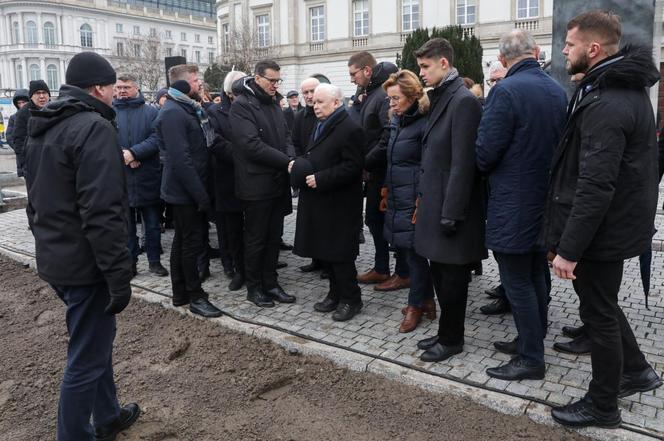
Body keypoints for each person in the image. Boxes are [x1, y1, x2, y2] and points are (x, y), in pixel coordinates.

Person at [544, 11, 663, 428]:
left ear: (593, 49)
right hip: (611, 227)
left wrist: (569, 250)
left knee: (599, 317)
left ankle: (603, 406)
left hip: (601, 233)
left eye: (570, 43)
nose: (563, 49)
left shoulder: (608, 101)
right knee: (604, 306)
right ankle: (638, 371)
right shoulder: (610, 89)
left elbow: (595, 185)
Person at [24, 51, 140, 441]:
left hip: (58, 259)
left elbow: (34, 200)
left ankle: (107, 415)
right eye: (111, 87)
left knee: (94, 342)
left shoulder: (44, 125)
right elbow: (103, 210)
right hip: (87, 265)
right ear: (98, 88)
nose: (115, 94)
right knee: (86, 357)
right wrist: (118, 274)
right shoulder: (93, 127)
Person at [475, 30, 568, 381]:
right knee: (535, 273)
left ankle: (531, 357)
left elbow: (485, 154)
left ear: (501, 60)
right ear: (537, 52)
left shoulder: (506, 91)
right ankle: (533, 338)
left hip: (513, 203)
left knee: (517, 281)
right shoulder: (557, 90)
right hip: (546, 199)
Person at [412, 38, 486, 363]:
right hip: (437, 204)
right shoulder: (443, 96)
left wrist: (451, 214)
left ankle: (452, 339)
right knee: (441, 275)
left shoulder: (463, 101)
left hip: (452, 211)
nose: (421, 73)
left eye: (425, 67)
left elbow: (463, 163)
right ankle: (445, 332)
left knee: (453, 279)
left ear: (444, 63)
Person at [367, 69, 436, 333]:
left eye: (396, 99)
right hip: (398, 194)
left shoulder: (423, 121)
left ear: (412, 96)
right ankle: (426, 300)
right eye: (389, 99)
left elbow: (426, 164)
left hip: (415, 198)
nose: (392, 104)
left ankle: (415, 305)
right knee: (409, 252)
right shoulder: (398, 121)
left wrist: (420, 197)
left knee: (415, 255)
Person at [291, 83, 365, 321]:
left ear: (336, 103)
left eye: (320, 101)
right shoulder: (321, 123)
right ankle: (335, 294)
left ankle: (352, 299)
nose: (315, 105)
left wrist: (322, 178)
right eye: (314, 101)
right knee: (327, 252)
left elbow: (354, 167)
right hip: (323, 200)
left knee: (341, 255)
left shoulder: (350, 128)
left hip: (340, 203)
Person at [230, 60, 296, 308]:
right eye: (271, 81)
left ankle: (271, 283)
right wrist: (286, 162)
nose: (275, 85)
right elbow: (250, 145)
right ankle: (254, 287)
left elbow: (286, 136)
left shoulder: (273, 104)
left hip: (278, 182)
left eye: (278, 81)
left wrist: (289, 157)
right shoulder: (242, 106)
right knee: (256, 239)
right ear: (257, 78)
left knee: (273, 237)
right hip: (256, 184)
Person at [158, 64, 222, 318]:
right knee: (190, 244)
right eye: (196, 81)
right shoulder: (173, 112)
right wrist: (200, 195)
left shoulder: (186, 108)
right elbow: (181, 159)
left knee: (183, 242)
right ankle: (194, 295)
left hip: (188, 188)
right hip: (185, 191)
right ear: (184, 85)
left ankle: (181, 293)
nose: (200, 85)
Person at [348, 52, 409, 291]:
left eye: (353, 73)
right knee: (374, 219)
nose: (351, 79)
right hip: (375, 172)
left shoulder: (382, 96)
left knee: (391, 222)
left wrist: (365, 163)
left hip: (385, 173)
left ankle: (402, 272)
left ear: (367, 70)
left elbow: (387, 137)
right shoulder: (369, 94)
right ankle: (382, 268)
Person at [113, 74, 168, 278]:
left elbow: (156, 138)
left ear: (136, 88)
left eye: (126, 87)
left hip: (147, 176)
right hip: (122, 179)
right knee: (126, 227)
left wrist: (135, 153)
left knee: (153, 224)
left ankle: (154, 261)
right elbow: (105, 139)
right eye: (118, 87)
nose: (121, 91)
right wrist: (125, 156)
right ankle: (131, 262)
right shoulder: (109, 113)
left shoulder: (151, 112)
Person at [207, 70, 248, 291]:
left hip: (248, 178)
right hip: (225, 177)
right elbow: (213, 141)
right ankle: (230, 264)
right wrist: (244, 156)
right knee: (228, 228)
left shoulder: (249, 109)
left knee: (247, 227)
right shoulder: (213, 111)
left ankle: (246, 265)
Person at [11, 80, 50, 177]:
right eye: (37, 93)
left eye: (44, 93)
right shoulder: (23, 113)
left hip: (52, 162)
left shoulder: (56, 109)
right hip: (33, 165)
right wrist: (26, 166)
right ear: (31, 97)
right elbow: (18, 141)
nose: (41, 96)